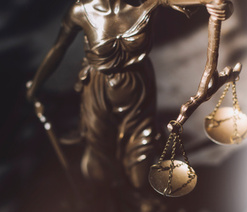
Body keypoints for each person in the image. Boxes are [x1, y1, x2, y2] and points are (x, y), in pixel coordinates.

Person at [25, 0, 232, 211]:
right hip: (97, 92)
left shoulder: (147, 2)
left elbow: (203, 1)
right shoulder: (81, 11)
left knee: (139, 170)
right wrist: (35, 87)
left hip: (139, 92)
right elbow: (59, 48)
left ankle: (138, 194)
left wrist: (222, 7)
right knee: (99, 165)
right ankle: (110, 196)